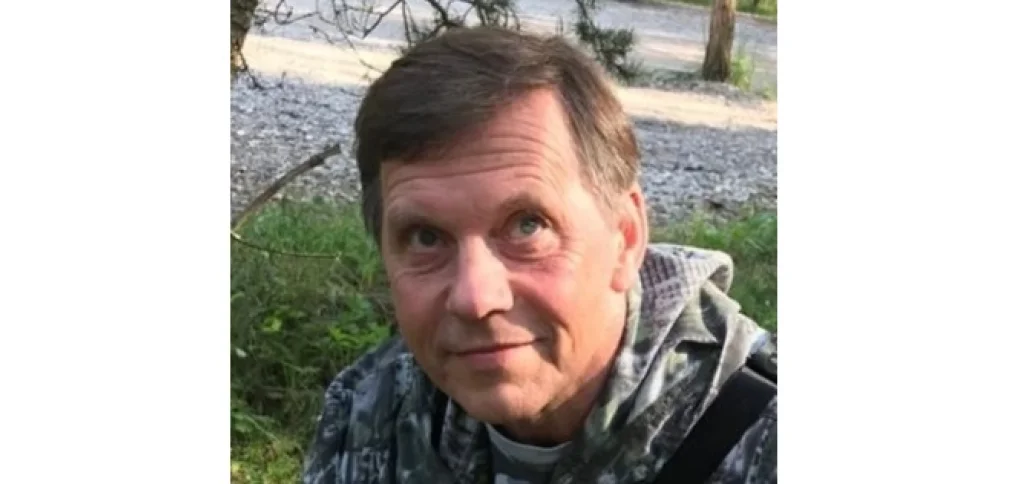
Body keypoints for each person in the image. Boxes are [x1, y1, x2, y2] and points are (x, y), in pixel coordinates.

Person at [302, 26, 777, 484]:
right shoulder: (369, 413)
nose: (475, 298)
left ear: (626, 236)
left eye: (528, 226)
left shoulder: (770, 441)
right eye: (426, 238)